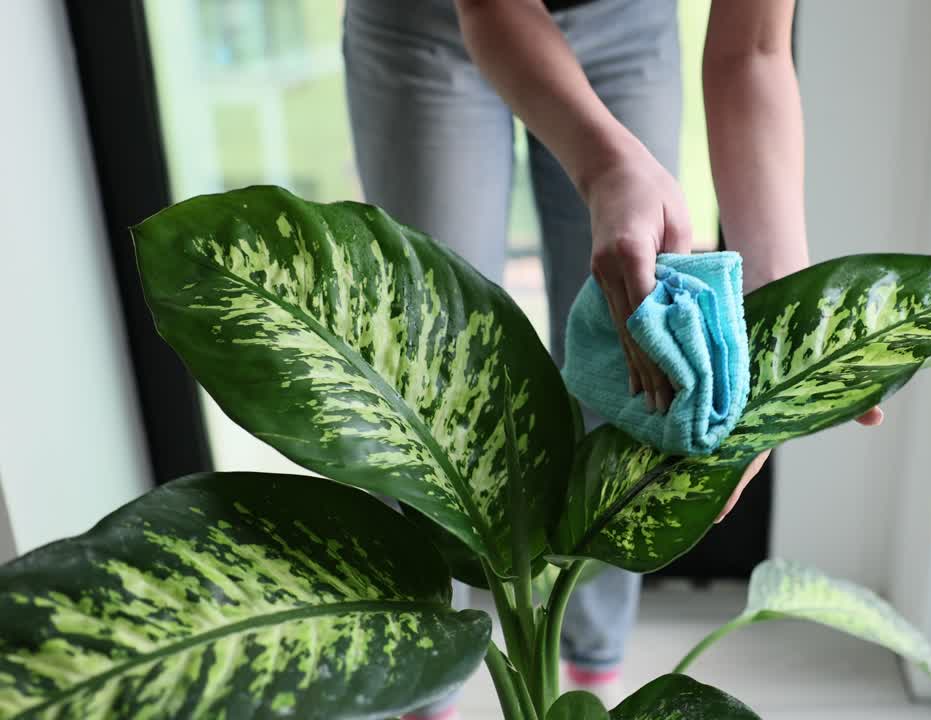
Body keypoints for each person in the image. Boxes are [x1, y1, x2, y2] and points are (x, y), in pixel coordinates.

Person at [342, 1, 881, 716]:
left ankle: (593, 679)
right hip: (429, 19)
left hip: (624, 19)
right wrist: (605, 168)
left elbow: (751, 52)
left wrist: (787, 301)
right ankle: (427, 700)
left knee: (636, 373)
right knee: (432, 384)